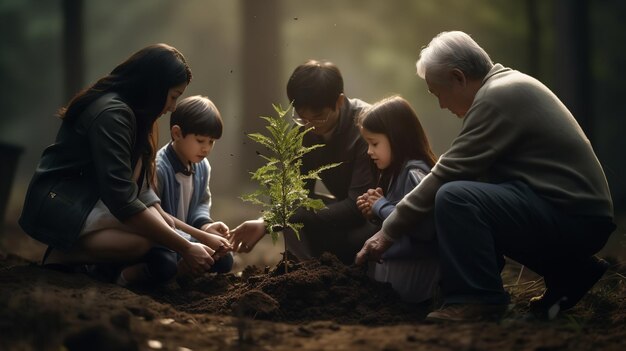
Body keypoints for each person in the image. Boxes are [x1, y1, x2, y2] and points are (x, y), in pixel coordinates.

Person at [355, 31, 615, 322]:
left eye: (438, 92)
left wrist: (389, 231)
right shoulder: (507, 87)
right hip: (571, 212)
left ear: (458, 78)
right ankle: (571, 272)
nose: (441, 104)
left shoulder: (498, 96)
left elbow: (448, 171)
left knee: (455, 197)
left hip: (575, 217)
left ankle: (478, 298)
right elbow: (469, 173)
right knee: (469, 194)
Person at [19, 44, 217, 283]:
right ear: (154, 87)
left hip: (92, 201)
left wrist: (199, 239)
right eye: (173, 96)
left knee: (146, 239)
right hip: (62, 202)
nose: (173, 107)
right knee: (153, 237)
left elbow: (144, 196)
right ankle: (64, 253)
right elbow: (122, 199)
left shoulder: (138, 117)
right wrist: (186, 247)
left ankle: (71, 254)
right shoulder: (112, 114)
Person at [230, 59, 378, 264]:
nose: (310, 126)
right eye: (302, 118)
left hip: (372, 220)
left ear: (340, 101)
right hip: (337, 216)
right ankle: (300, 272)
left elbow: (356, 207)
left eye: (318, 117)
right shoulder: (302, 131)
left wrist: (293, 214)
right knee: (291, 208)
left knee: (294, 213)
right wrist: (265, 221)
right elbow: (293, 193)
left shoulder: (366, 127)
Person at [355, 95, 439, 303]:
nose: (369, 151)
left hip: (414, 277)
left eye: (374, 143)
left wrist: (381, 206)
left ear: (397, 137)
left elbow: (422, 227)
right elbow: (396, 222)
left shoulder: (415, 174)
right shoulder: (393, 172)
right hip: (394, 275)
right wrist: (374, 213)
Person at [153, 95, 233, 282]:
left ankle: (185, 272)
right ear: (177, 133)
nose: (206, 149)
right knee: (164, 263)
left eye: (211, 142)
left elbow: (201, 202)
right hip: (165, 240)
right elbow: (156, 215)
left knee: (226, 259)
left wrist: (206, 226)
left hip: (190, 237)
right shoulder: (159, 169)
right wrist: (196, 239)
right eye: (200, 140)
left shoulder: (202, 167)